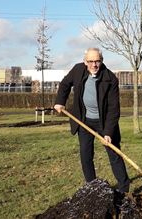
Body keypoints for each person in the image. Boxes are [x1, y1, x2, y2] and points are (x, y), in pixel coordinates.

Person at [54, 47, 130, 193]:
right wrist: (60, 101)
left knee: (114, 154)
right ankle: (93, 188)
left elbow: (114, 109)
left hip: (104, 122)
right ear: (85, 61)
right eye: (90, 61)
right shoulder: (78, 70)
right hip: (84, 121)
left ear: (101, 61)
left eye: (97, 61)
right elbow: (64, 84)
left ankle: (124, 189)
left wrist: (108, 132)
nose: (94, 65)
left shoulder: (110, 79)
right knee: (85, 154)